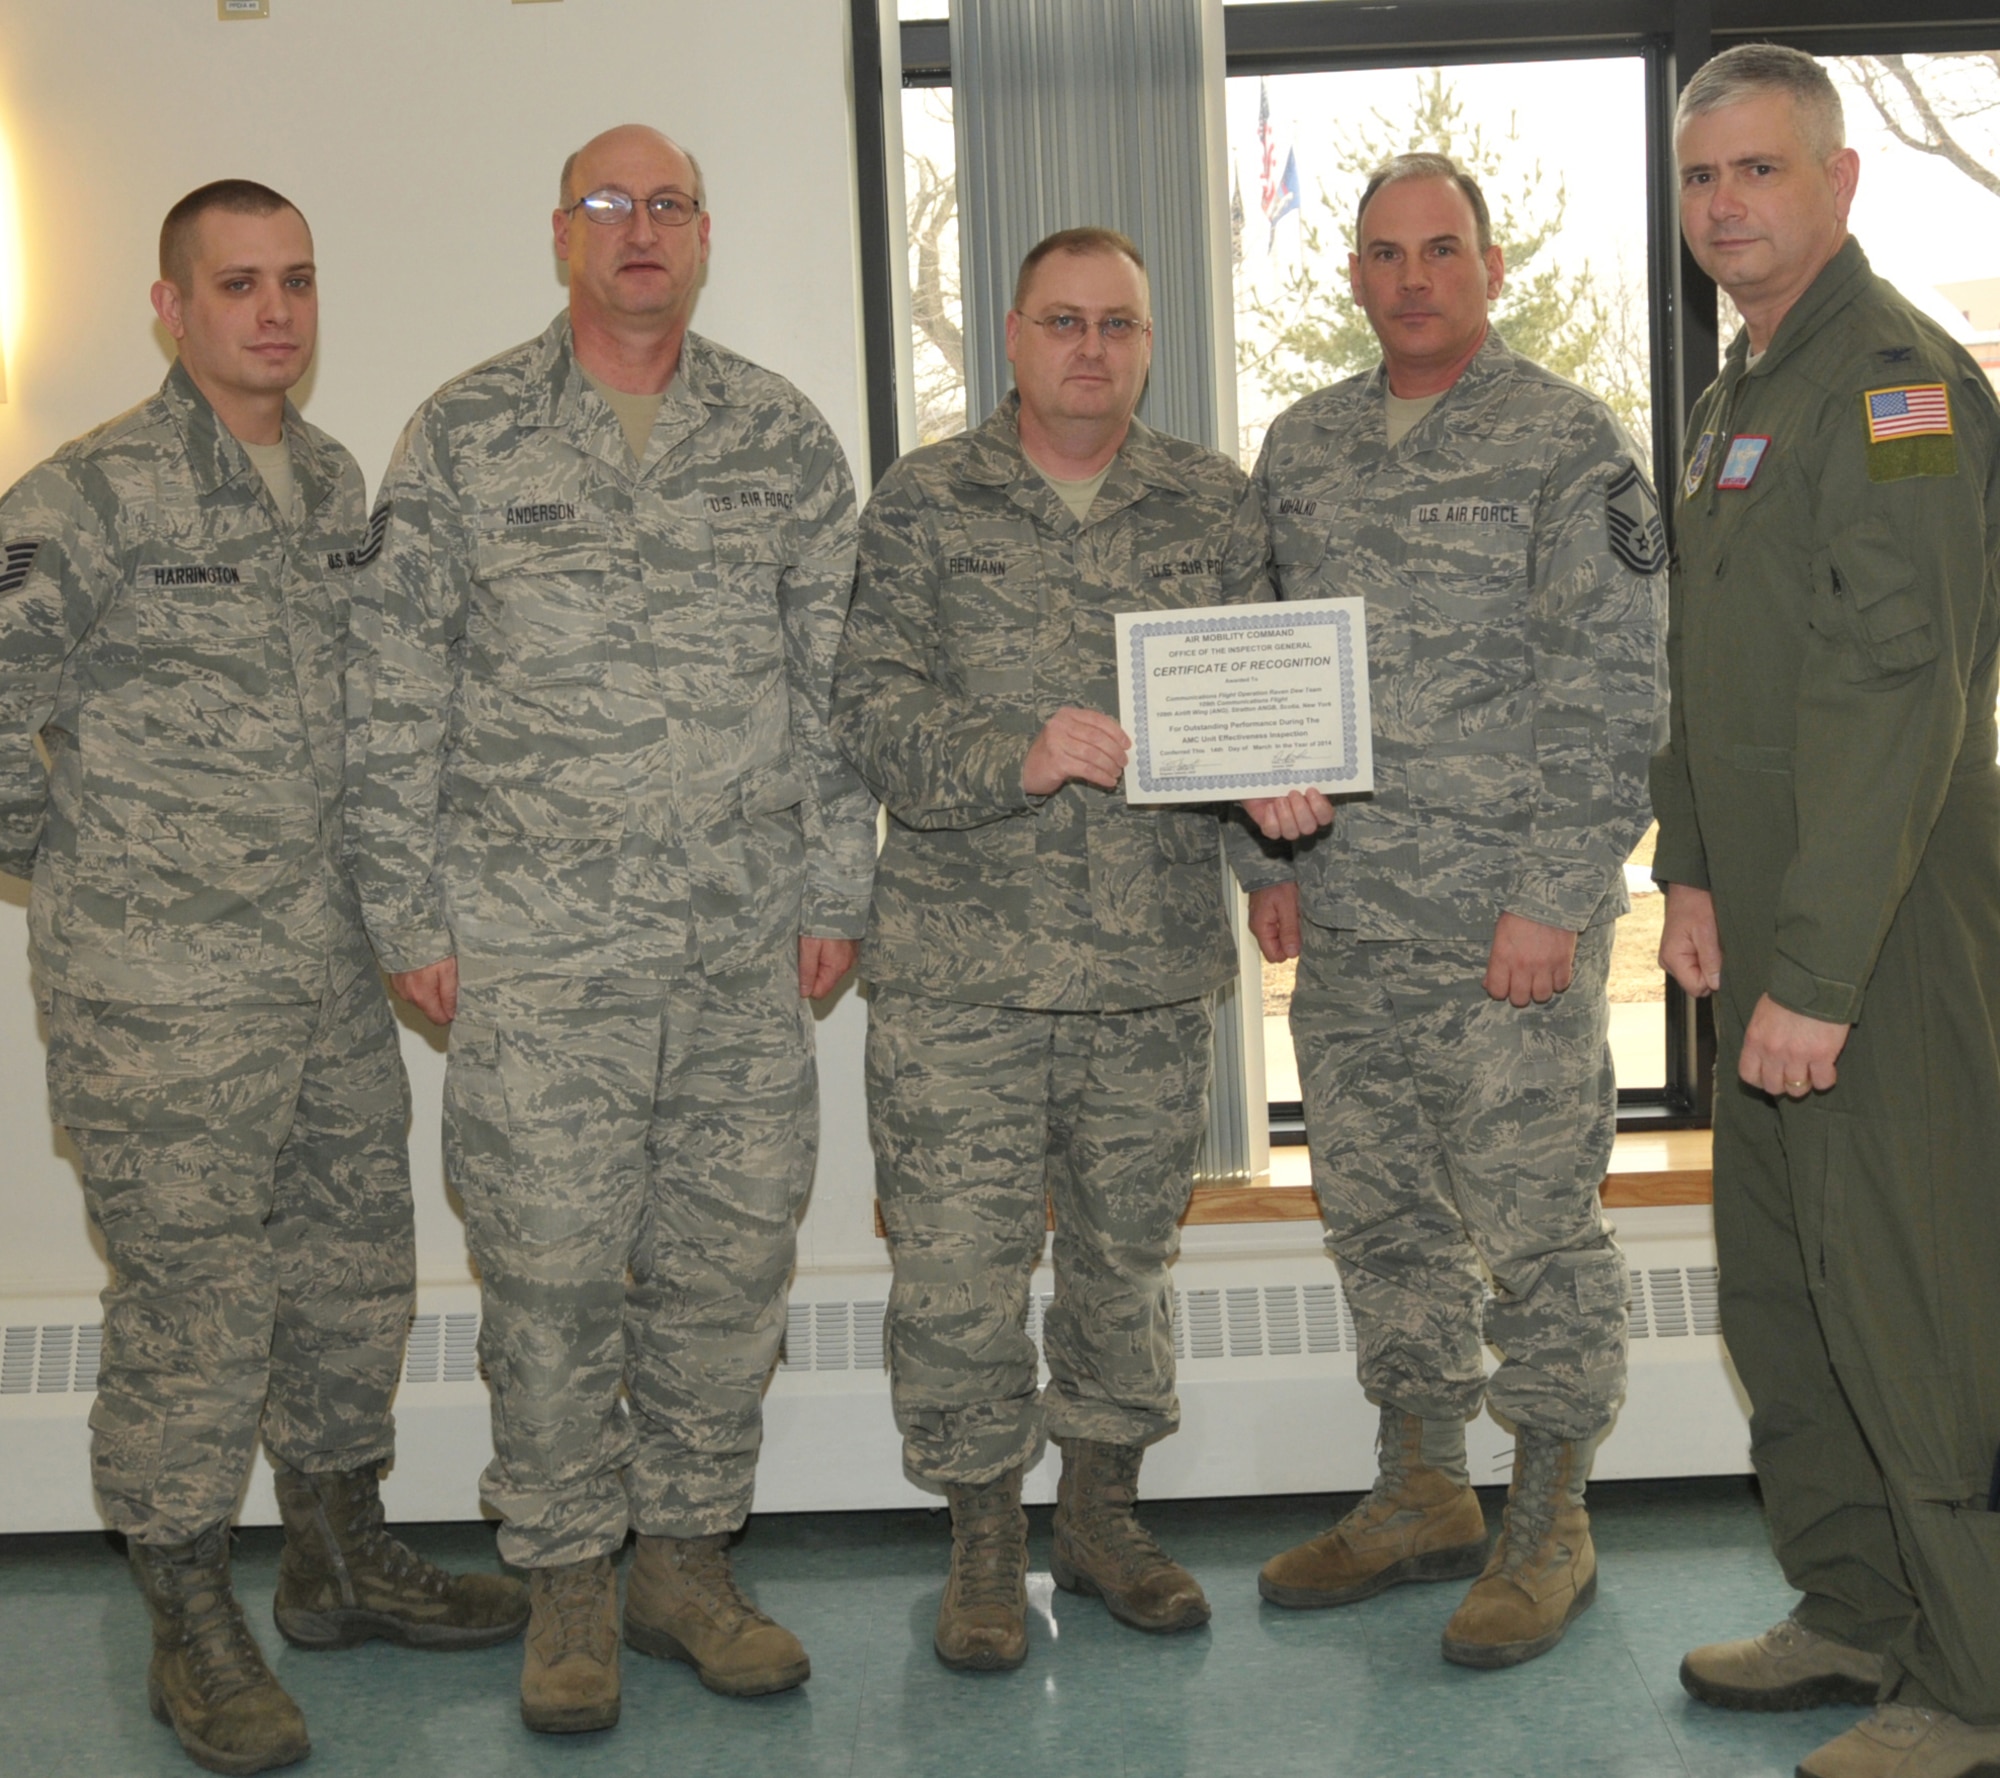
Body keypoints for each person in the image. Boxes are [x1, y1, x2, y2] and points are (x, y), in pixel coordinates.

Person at [344, 125, 874, 1735]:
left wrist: (837, 886)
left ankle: (687, 1562)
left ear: (703, 236)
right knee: (553, 1277)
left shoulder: (779, 437)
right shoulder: (465, 433)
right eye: (605, 205)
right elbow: (395, 692)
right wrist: (406, 908)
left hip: (737, 949)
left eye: (667, 205)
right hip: (535, 956)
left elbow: (838, 685)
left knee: (725, 1271)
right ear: (560, 234)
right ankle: (572, 1576)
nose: (637, 230)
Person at [0, 181, 527, 1777]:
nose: (274, 311)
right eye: (237, 285)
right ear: (171, 308)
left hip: (323, 982)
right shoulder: (85, 494)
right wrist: (92, 872)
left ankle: (334, 1551)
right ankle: (186, 1610)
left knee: (357, 1272)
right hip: (161, 998)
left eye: (296, 280)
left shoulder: (333, 482)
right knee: (192, 1311)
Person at [1236, 154, 1666, 1669]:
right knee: (1381, 1211)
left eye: (1442, 250)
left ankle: (1551, 1511)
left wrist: (1555, 899)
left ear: (1489, 266)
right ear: (1354, 276)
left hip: (1509, 930)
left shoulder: (1567, 442)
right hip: (1352, 919)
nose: (1413, 277)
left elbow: (1616, 694)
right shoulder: (1302, 446)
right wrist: (1263, 858)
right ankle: (1422, 1483)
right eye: (1384, 254)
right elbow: (1254, 664)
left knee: (1535, 1219)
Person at [831, 227, 1271, 1674]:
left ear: (1150, 344)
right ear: (1011, 337)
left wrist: (1277, 832)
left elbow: (1264, 705)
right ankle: (981, 1542)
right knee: (956, 1273)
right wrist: (1009, 751)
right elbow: (869, 705)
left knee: (1125, 1263)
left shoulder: (1212, 504)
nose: (1093, 348)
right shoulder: (926, 502)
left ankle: (1097, 1515)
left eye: (1121, 326)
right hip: (964, 969)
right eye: (1065, 322)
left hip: (1148, 963)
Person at [1656, 45, 2000, 1778]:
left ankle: (1976, 1674)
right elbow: (1713, 674)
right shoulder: (1744, 392)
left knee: (1915, 1305)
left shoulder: (1895, 387)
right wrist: (1691, 863)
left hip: (1877, 956)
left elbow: (1895, 696)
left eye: (1761, 172)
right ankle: (1856, 1604)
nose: (1726, 205)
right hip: (1776, 939)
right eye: (1703, 176)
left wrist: (1814, 969)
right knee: (1784, 1295)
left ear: (1841, 182)